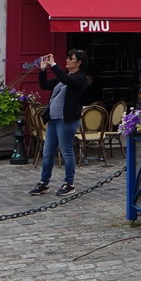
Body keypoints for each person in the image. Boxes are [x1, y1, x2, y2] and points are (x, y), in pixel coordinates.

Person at [29, 49, 89, 197]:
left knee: (66, 152)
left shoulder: (80, 78)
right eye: (67, 57)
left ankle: (69, 184)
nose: (67, 60)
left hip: (66, 120)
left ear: (79, 63)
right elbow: (44, 85)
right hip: (54, 120)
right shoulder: (64, 77)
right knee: (48, 152)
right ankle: (44, 183)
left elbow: (68, 80)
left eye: (71, 58)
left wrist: (54, 65)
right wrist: (43, 69)